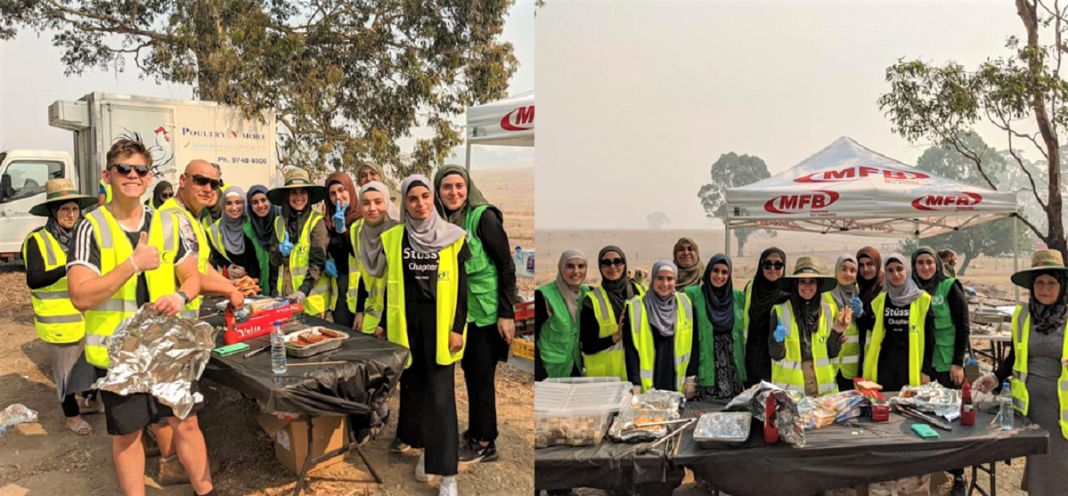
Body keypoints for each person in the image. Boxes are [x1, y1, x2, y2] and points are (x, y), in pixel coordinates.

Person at [67, 139, 214, 496]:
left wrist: (181, 296)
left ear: (150, 178)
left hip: (168, 350)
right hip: (120, 357)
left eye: (140, 170)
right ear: (107, 175)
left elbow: (193, 277)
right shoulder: (90, 227)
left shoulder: (167, 223)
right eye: (123, 169)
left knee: (187, 424)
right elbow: (80, 296)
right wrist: (132, 264)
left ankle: (207, 491)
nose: (133, 176)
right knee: (129, 437)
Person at [377, 175, 469, 496]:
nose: (420, 204)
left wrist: (457, 328)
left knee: (442, 397)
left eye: (425, 196)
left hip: (440, 324)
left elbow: (462, 288)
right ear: (404, 202)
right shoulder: (394, 238)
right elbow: (386, 283)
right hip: (407, 324)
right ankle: (425, 451)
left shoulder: (453, 237)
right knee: (414, 390)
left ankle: (447, 474)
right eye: (412, 199)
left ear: (433, 199)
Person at [431, 165, 516, 465]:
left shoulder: (484, 218)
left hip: (487, 314)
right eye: (446, 187)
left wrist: (506, 313)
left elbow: (506, 264)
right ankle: (477, 431)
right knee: (470, 373)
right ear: (437, 191)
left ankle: (484, 442)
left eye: (459, 186)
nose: (453, 192)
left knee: (481, 377)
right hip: (460, 315)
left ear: (468, 188)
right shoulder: (440, 222)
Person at [975, 249, 1068, 496]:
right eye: (1039, 283)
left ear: (1062, 285)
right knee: (1039, 460)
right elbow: (1015, 357)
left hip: (1063, 407)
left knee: (1062, 462)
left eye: (1051, 282)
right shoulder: (1024, 315)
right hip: (1032, 405)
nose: (1045, 288)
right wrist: (994, 378)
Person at [23, 178, 100, 435]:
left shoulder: (84, 237)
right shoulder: (37, 240)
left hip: (88, 317)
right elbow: (34, 279)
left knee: (93, 365)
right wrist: (67, 266)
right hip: (59, 322)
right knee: (67, 375)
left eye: (75, 209)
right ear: (53, 213)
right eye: (64, 209)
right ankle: (72, 417)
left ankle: (87, 403)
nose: (71, 214)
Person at [767, 257, 846, 396]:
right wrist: (777, 340)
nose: (807, 287)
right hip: (791, 392)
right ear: (795, 285)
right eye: (802, 282)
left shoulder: (829, 311)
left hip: (823, 391)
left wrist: (837, 332)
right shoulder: (780, 311)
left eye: (812, 282)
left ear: (819, 285)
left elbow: (832, 353)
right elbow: (776, 355)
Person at [621, 260, 697, 396]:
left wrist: (690, 377)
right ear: (653, 278)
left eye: (670, 279)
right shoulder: (635, 307)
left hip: (676, 387)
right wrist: (635, 384)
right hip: (646, 389)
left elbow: (694, 342)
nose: (665, 284)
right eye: (660, 278)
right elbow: (630, 351)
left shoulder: (685, 303)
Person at [861, 253, 934, 392]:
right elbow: (874, 329)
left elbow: (931, 338)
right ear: (886, 274)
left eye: (899, 269)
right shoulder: (880, 300)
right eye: (890, 270)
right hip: (885, 364)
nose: (896, 274)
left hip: (910, 363)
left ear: (906, 270)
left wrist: (926, 370)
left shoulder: (922, 300)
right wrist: (860, 315)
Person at [268, 168, 331, 316]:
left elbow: (317, 263)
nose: (299, 197)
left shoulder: (316, 222)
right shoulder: (279, 222)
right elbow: (272, 259)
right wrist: (278, 251)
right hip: (285, 300)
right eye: (293, 192)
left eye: (303, 192)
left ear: (308, 195)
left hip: (311, 303)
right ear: (286, 196)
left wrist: (303, 291)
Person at [684, 254, 746, 401]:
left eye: (724, 272)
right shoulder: (692, 295)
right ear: (709, 271)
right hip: (705, 370)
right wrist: (690, 376)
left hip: (733, 371)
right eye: (715, 270)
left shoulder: (739, 297)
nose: (719, 276)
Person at [580, 246, 646, 381]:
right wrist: (615, 337)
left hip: (639, 376)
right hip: (607, 380)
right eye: (606, 263)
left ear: (624, 263)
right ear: (600, 267)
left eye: (617, 261)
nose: (612, 266)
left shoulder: (641, 292)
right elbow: (587, 346)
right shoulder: (592, 301)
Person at [912, 246, 970, 388]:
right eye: (920, 262)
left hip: (946, 364)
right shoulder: (911, 291)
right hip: (918, 364)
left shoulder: (949, 286)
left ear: (936, 264)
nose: (925, 267)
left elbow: (963, 327)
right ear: (914, 266)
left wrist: (957, 363)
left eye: (929, 262)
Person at [536, 251, 590, 380]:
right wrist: (540, 374)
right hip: (550, 372)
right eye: (570, 266)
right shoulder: (544, 296)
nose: (576, 271)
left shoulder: (589, 293)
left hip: (577, 369)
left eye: (581, 266)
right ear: (561, 268)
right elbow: (535, 337)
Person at [743, 247, 790, 386]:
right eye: (767, 264)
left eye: (778, 264)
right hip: (754, 355)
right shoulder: (751, 287)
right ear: (760, 266)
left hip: (780, 356)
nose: (772, 268)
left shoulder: (788, 292)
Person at [204, 185, 265, 291]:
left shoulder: (254, 224)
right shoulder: (214, 230)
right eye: (228, 203)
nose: (234, 208)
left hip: (258, 287)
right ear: (223, 205)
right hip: (228, 288)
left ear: (244, 203)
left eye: (238, 202)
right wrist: (229, 267)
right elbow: (217, 257)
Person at [325, 171, 361, 328]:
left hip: (361, 289)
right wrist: (326, 259)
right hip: (339, 289)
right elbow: (324, 246)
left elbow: (359, 253)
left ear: (350, 190)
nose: (338, 196)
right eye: (333, 193)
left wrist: (343, 231)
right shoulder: (326, 220)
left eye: (342, 190)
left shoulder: (362, 217)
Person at [826, 255, 864, 392]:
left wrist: (861, 315)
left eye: (853, 270)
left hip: (852, 367)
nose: (848, 274)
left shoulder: (859, 293)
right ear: (836, 270)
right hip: (830, 363)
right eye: (844, 269)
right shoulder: (826, 295)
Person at [855, 247, 884, 379]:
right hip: (860, 351)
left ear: (878, 264)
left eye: (870, 264)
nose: (865, 269)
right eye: (861, 265)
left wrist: (862, 316)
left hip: (880, 352)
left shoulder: (884, 288)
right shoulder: (857, 287)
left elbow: (883, 325)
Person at [247, 185, 280, 296]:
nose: (260, 205)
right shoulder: (248, 229)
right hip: (261, 290)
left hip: (283, 288)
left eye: (263, 200)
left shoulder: (283, 221)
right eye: (255, 202)